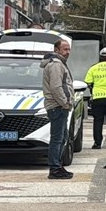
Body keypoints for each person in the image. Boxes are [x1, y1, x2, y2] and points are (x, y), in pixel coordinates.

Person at [41, 38, 75, 180]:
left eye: (69, 49)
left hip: (58, 106)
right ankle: (55, 168)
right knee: (57, 138)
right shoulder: (56, 65)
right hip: (57, 106)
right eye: (64, 49)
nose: (67, 52)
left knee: (63, 137)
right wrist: (65, 103)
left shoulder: (59, 63)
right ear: (56, 50)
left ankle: (58, 166)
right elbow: (56, 87)